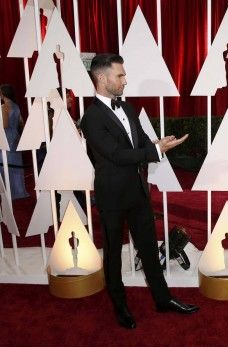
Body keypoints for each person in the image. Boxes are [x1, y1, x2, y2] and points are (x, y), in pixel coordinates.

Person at [80, 54, 198, 330]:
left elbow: (141, 142)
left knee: (148, 247)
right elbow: (115, 155)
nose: (125, 80)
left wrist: (157, 143)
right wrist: (155, 150)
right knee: (112, 254)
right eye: (119, 75)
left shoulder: (129, 109)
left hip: (137, 192)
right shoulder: (91, 118)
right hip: (111, 197)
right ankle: (119, 304)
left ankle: (163, 298)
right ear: (101, 78)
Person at [0, 84, 29, 200]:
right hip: (15, 137)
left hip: (6, 137)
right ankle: (19, 191)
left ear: (2, 93)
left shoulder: (4, 107)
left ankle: (9, 193)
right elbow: (21, 122)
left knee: (5, 164)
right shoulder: (16, 106)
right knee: (15, 164)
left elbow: (4, 124)